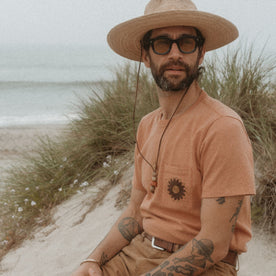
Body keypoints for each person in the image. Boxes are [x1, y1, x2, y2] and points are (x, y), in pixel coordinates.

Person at [71, 0, 255, 275]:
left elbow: (214, 243)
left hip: (205, 265)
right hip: (139, 252)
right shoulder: (147, 125)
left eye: (186, 43)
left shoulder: (221, 127)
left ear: (201, 52)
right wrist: (93, 260)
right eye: (161, 44)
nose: (175, 54)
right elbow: (135, 212)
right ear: (145, 56)